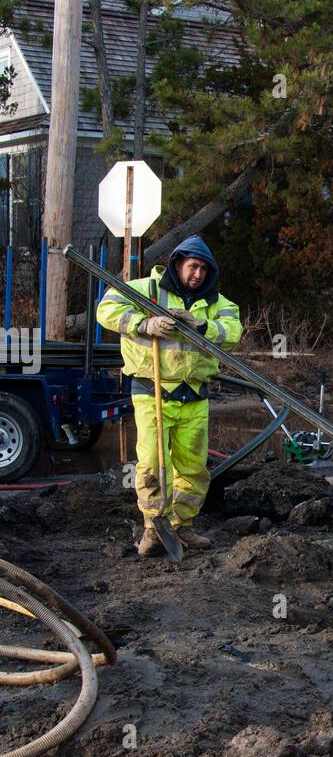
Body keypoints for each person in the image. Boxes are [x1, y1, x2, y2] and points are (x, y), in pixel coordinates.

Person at [96, 235, 242, 556]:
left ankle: (182, 525)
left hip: (195, 394)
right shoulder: (146, 290)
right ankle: (153, 528)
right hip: (153, 391)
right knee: (152, 463)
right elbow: (106, 309)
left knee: (193, 467)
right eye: (192, 266)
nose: (197, 274)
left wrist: (202, 326)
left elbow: (233, 331)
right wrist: (143, 324)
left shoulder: (217, 303)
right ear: (178, 263)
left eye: (203, 269)